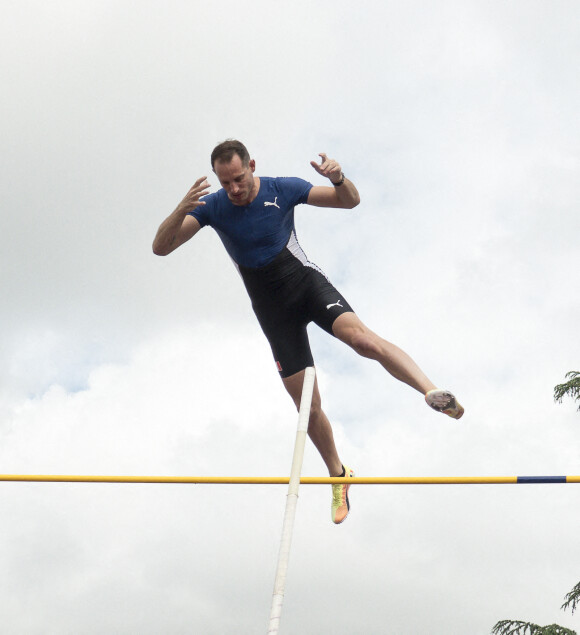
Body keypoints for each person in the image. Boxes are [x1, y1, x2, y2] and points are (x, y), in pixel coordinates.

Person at [152, 139, 464, 525]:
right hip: (273, 314)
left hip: (306, 287)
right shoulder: (213, 207)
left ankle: (431, 391)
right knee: (307, 407)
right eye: (225, 182)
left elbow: (348, 201)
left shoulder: (284, 188)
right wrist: (180, 210)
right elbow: (160, 248)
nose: (233, 189)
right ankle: (339, 474)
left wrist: (339, 178)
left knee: (364, 340)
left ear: (251, 165)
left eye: (237, 179)